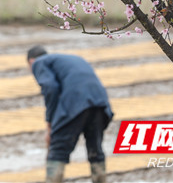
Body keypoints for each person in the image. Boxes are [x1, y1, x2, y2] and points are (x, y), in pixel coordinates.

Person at [27, 45, 113, 183]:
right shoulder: (71, 59)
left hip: (76, 103)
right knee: (95, 148)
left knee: (58, 149)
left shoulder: (38, 62)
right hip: (100, 103)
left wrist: (50, 122)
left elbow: (50, 88)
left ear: (30, 61)